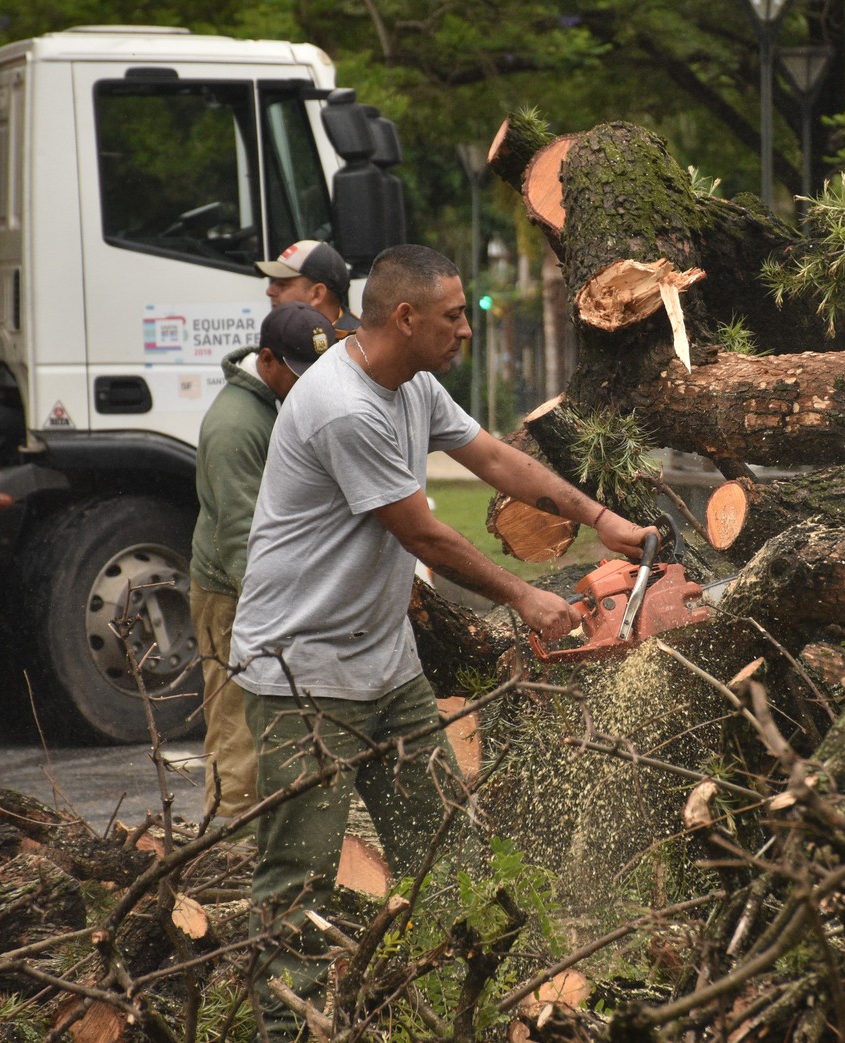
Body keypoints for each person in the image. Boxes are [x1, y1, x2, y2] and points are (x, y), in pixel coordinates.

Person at [230, 244, 654, 1040]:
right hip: (302, 672)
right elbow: (421, 531)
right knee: (298, 875)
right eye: (455, 315)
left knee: (446, 848)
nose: (466, 328)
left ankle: (463, 1010)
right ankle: (283, 1030)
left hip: (383, 666)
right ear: (405, 317)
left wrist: (602, 519)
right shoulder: (343, 405)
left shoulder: (413, 384)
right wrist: (527, 595)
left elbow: (491, 456)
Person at [190, 302, 333, 818]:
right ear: (267, 359)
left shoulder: (274, 400)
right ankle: (228, 848)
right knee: (237, 727)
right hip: (233, 591)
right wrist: (270, 612)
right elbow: (240, 534)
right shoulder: (235, 426)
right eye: (299, 375)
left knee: (273, 725)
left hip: (265, 585)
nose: (309, 386)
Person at [256, 239, 361, 339]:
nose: (269, 291)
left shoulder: (363, 345)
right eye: (274, 281)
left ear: (317, 294)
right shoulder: (277, 335)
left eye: (283, 284)